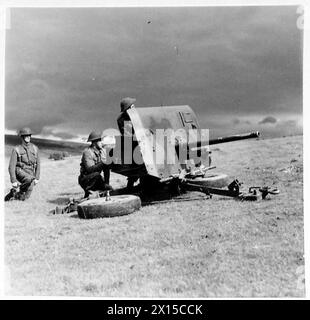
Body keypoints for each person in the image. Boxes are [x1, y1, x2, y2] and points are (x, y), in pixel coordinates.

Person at [5, 127, 40, 201]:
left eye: (29, 135)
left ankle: (14, 193)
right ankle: (18, 189)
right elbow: (11, 166)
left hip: (30, 172)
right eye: (25, 136)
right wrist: (13, 180)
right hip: (20, 171)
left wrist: (37, 177)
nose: (28, 137)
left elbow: (38, 164)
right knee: (29, 179)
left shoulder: (35, 149)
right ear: (22, 137)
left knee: (25, 198)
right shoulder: (16, 149)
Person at [78, 131, 113, 198]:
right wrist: (103, 164)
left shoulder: (102, 151)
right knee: (96, 175)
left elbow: (106, 167)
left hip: (97, 178)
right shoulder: (87, 152)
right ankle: (89, 193)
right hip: (86, 179)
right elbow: (90, 169)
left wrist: (106, 184)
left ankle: (100, 191)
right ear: (94, 143)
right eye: (100, 141)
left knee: (109, 189)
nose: (102, 142)